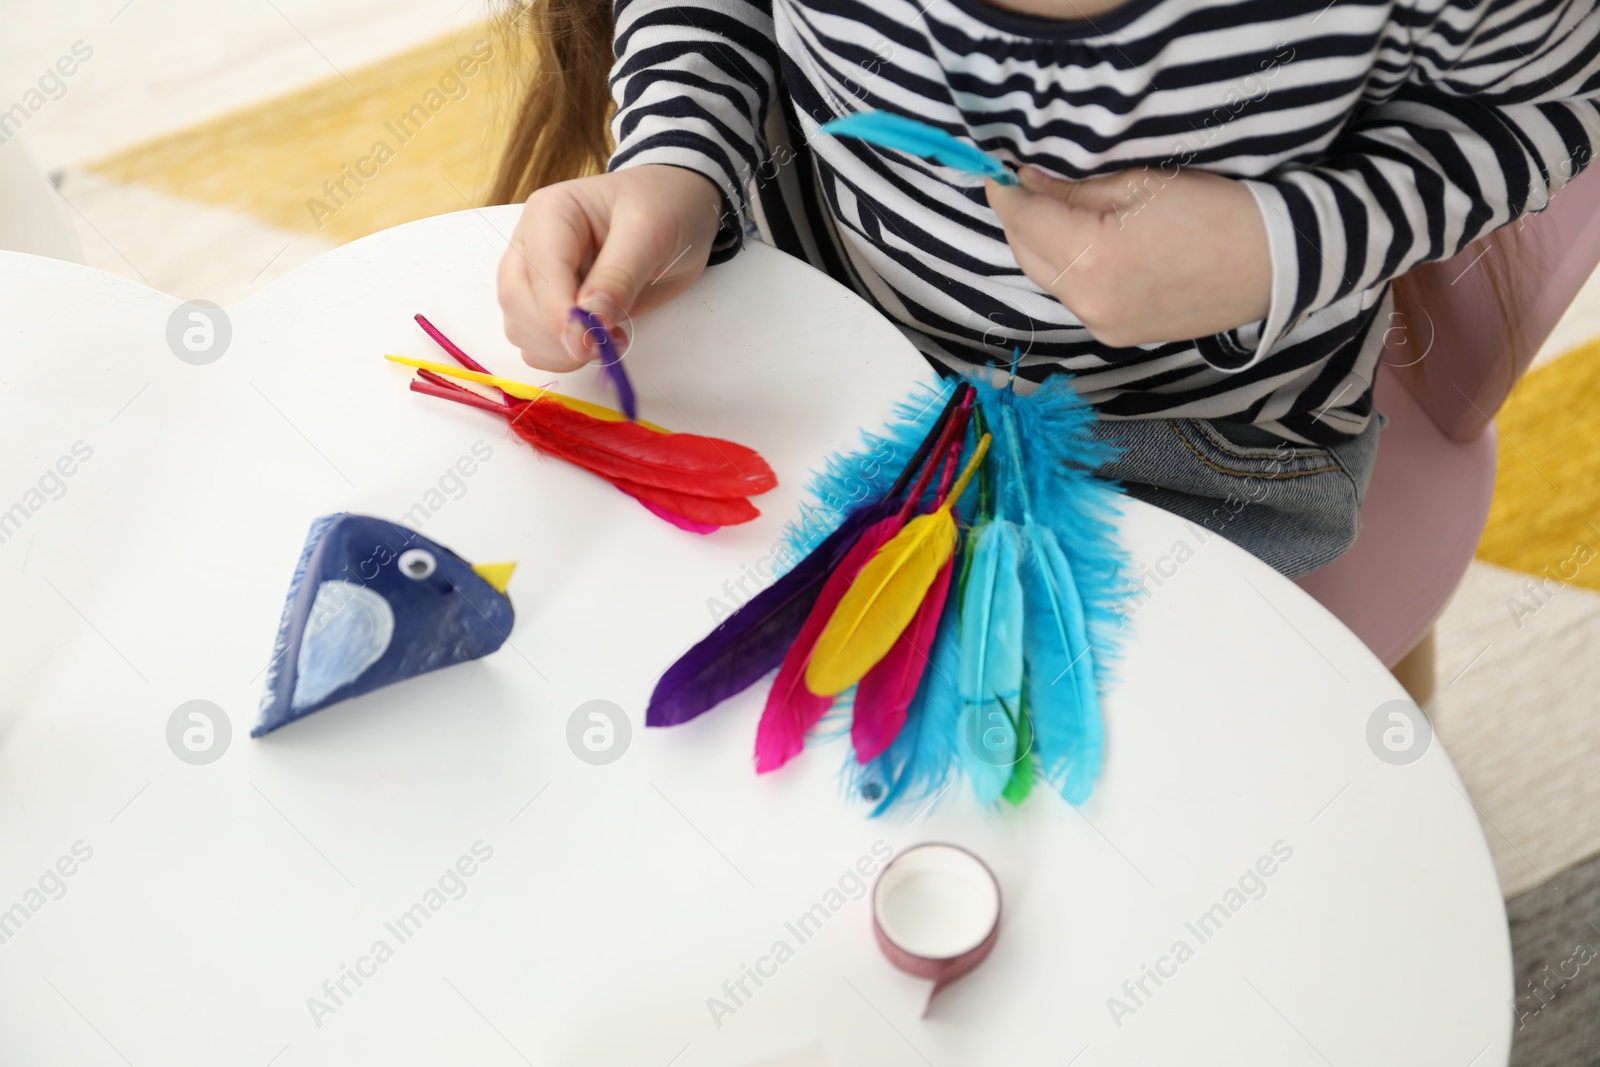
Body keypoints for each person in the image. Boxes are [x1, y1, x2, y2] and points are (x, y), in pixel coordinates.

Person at [491, 0, 1600, 577]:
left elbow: (1542, 112)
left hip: (1195, 443)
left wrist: (1273, 246)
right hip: (808, 328)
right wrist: (675, 162)